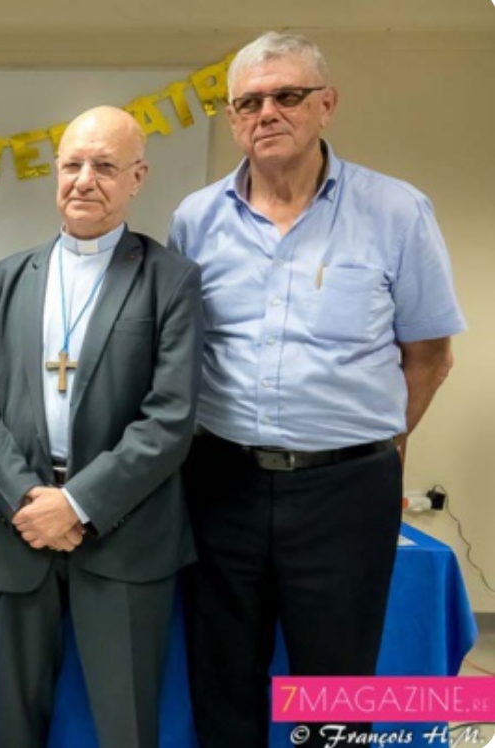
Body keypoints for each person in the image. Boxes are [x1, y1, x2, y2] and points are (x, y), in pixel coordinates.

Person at [167, 32, 466, 748]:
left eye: (287, 95)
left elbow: (428, 355)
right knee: (223, 676)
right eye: (249, 101)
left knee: (335, 684)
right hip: (221, 482)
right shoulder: (195, 219)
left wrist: (378, 449)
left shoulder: (397, 211)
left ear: (326, 105)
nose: (267, 112)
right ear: (233, 117)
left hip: (345, 489)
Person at [0, 106, 202, 748]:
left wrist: (79, 503)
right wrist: (27, 503)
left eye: (104, 166)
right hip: (23, 529)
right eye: (72, 164)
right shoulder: (3, 282)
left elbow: (171, 415)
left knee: (126, 723)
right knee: (14, 723)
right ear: (55, 173)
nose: (84, 180)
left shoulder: (170, 281)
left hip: (125, 531)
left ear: (137, 177)